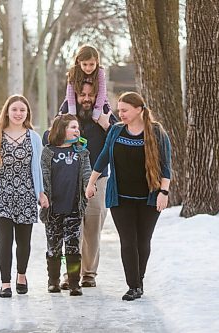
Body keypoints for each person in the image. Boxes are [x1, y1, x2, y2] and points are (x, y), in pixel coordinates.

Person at [85, 91, 171, 301]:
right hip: (120, 198)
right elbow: (104, 157)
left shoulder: (157, 132)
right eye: (119, 110)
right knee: (127, 241)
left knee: (143, 241)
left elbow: (166, 166)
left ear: (139, 109)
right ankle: (133, 286)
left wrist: (164, 192)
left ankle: (138, 281)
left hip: (149, 198)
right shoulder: (116, 131)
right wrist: (91, 182)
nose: (120, 114)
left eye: (124, 110)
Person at [0, 94, 49, 298]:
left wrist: (41, 192)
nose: (18, 113)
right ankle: (5, 283)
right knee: (5, 239)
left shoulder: (34, 138)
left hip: (26, 194)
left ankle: (21, 276)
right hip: (0, 194)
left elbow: (37, 169)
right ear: (7, 112)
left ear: (27, 113)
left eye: (22, 110)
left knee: (24, 241)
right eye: (14, 109)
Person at [45, 80, 118, 289]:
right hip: (69, 181)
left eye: (90, 95)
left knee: (92, 228)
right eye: (82, 95)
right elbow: (48, 140)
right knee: (72, 229)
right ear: (75, 96)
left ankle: (88, 274)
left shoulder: (104, 114)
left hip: (98, 178)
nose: (86, 99)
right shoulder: (66, 114)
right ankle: (71, 275)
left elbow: (118, 139)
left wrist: (106, 124)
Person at [40, 114, 91, 296]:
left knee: (73, 246)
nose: (77, 130)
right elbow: (42, 175)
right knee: (54, 246)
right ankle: (53, 281)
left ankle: (74, 282)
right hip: (53, 208)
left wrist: (88, 186)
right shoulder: (48, 152)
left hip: (74, 207)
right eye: (73, 127)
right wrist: (43, 195)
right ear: (61, 129)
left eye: (77, 128)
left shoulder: (81, 151)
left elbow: (87, 173)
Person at [64, 44, 111, 122]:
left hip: (98, 100)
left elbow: (102, 92)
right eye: (85, 64)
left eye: (91, 64)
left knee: (109, 116)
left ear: (97, 61)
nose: (88, 68)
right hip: (75, 100)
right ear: (79, 62)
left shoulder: (100, 72)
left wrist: (97, 113)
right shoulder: (74, 72)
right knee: (63, 114)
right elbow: (70, 93)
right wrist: (72, 113)